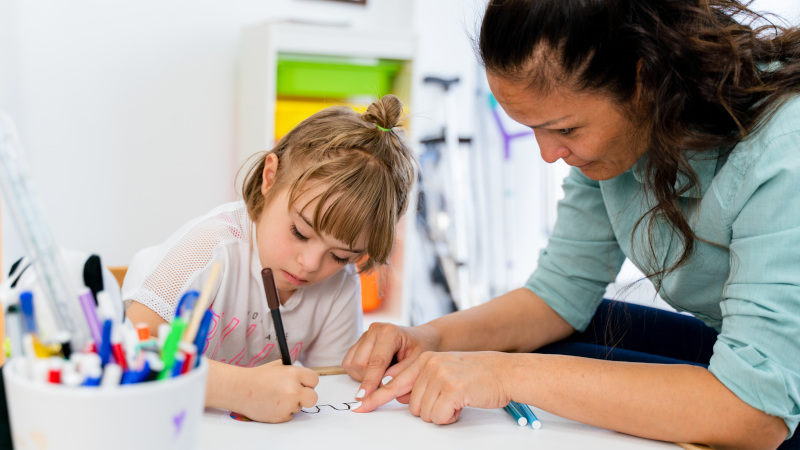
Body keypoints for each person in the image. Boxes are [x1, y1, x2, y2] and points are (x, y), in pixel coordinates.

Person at [343, 1, 800, 448]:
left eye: (565, 130)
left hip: (771, 403)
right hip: (743, 350)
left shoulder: (785, 146)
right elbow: (558, 297)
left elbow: (755, 415)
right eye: (533, 129)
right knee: (562, 337)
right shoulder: (625, 139)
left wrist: (502, 374)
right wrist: (431, 338)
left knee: (525, 365)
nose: (548, 154)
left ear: (646, 79)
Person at [123, 94, 415, 423]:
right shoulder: (208, 248)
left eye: (340, 255)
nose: (311, 264)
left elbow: (333, 389)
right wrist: (238, 390)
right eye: (300, 233)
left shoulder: (338, 285)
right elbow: (131, 352)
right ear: (270, 177)